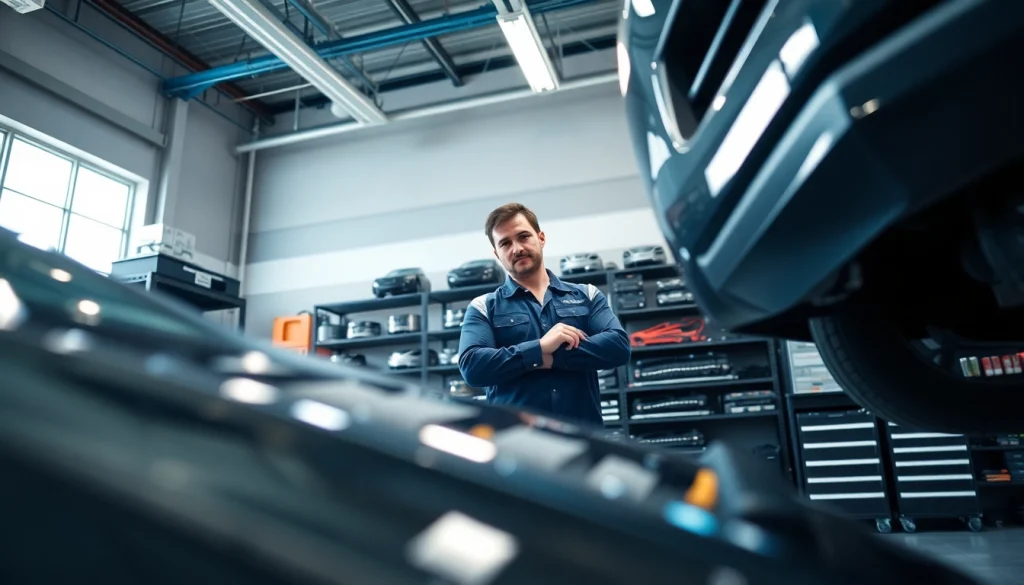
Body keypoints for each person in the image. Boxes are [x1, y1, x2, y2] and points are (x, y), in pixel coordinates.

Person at [457, 203, 631, 425]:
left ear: (541, 238)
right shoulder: (483, 307)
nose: (517, 248)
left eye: (523, 236)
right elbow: (473, 367)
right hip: (518, 445)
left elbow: (618, 346)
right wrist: (539, 348)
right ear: (497, 254)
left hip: (581, 439)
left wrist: (548, 357)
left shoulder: (587, 295)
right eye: (505, 243)